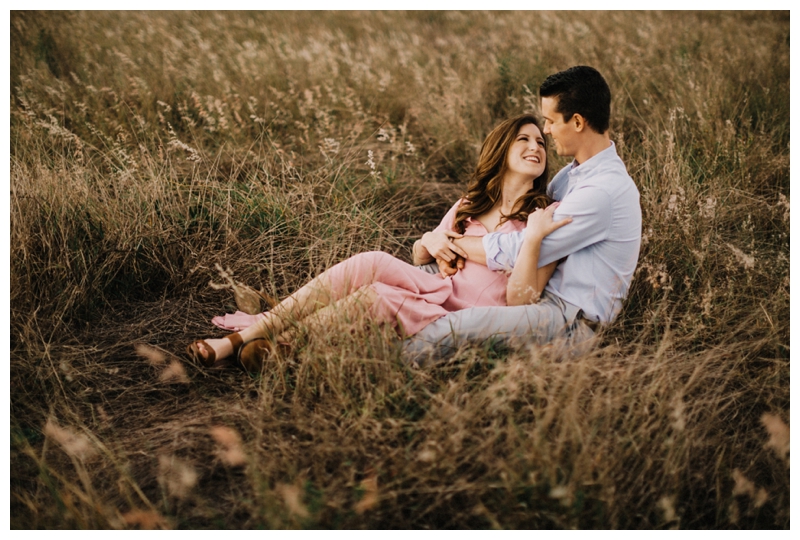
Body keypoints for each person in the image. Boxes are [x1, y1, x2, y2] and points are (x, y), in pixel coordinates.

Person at [187, 114, 571, 371]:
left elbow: (524, 300)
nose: (536, 146)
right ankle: (242, 338)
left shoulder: (544, 216)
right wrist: (431, 240)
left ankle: (284, 345)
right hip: (433, 288)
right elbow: (419, 256)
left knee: (378, 296)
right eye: (523, 139)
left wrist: (534, 237)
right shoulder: (470, 204)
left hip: (461, 313)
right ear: (501, 150)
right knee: (371, 260)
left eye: (541, 141)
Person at [402, 65, 642, 366]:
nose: (547, 130)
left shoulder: (604, 190)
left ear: (578, 122)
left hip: (567, 319)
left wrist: (454, 241)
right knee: (404, 278)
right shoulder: (570, 177)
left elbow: (518, 247)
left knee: (458, 327)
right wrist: (432, 241)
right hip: (538, 295)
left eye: (551, 121)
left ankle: (381, 366)